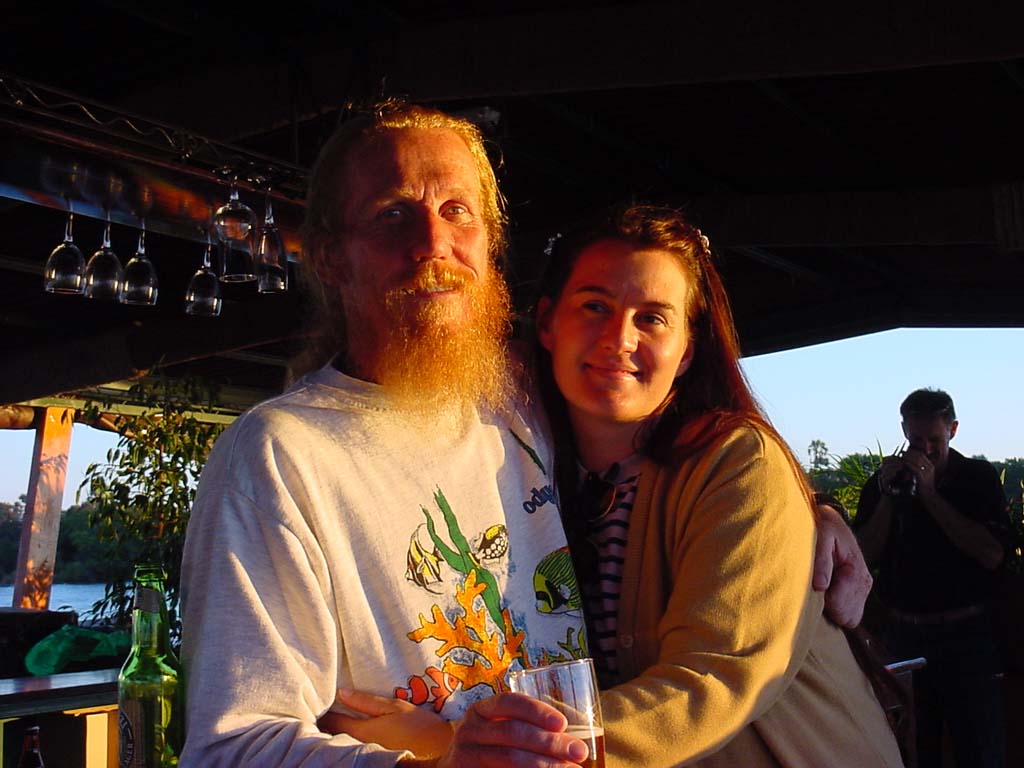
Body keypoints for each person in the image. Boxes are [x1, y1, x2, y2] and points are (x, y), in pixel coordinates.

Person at [180, 101, 873, 768]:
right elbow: (231, 746)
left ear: (490, 242)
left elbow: (714, 656)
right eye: (393, 215)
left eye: (458, 211)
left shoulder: (514, 400)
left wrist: (800, 510)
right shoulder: (276, 455)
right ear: (329, 258)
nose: (432, 244)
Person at [324, 205, 903, 766]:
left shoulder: (736, 462)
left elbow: (715, 677)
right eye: (595, 306)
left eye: (652, 317)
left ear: (686, 352)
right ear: (548, 324)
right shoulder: (530, 455)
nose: (618, 339)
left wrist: (464, 746)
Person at [855, 388, 1010, 768]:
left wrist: (929, 494)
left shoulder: (977, 478)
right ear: (904, 431)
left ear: (953, 431)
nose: (924, 450)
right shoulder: (883, 483)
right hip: (904, 636)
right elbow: (862, 560)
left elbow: (992, 554)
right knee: (910, 749)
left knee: (979, 748)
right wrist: (890, 499)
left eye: (935, 441)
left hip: (968, 637)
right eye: (916, 440)